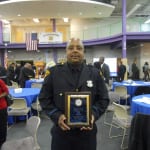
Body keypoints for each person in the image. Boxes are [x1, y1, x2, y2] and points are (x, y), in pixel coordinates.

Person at [39, 38, 109, 150]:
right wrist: (57, 116)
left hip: (87, 134)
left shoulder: (95, 73)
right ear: (66, 52)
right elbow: (44, 99)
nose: (75, 51)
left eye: (79, 48)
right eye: (71, 48)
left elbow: (104, 99)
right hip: (62, 133)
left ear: (83, 52)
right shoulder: (54, 73)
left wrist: (93, 115)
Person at [0, 79, 9, 148]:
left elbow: (6, 92)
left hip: (1, 107)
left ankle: (3, 144)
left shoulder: (0, 81)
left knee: (2, 126)